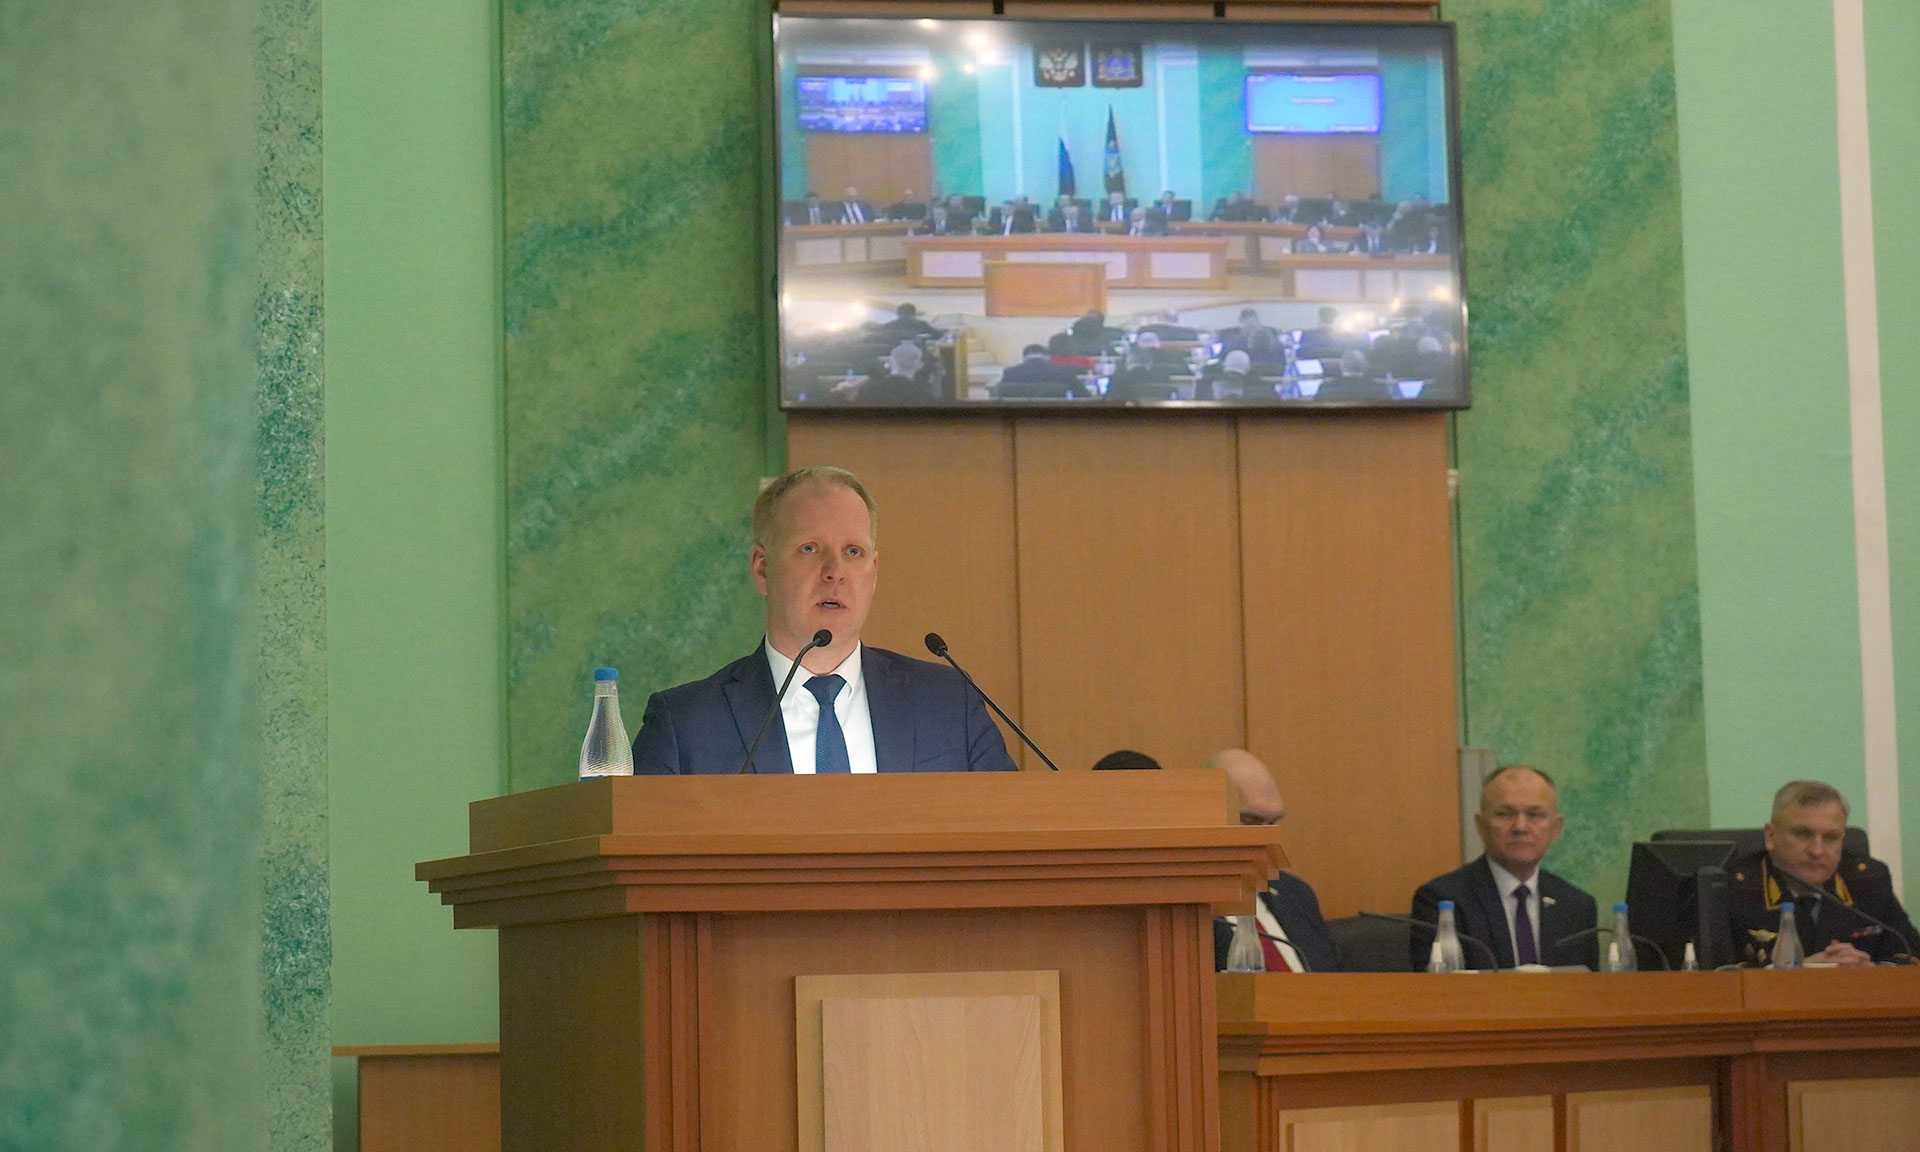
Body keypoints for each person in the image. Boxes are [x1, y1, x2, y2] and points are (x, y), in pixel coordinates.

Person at [630, 467, 1018, 775]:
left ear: (874, 572)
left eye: (853, 551)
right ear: (762, 569)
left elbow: (1011, 834)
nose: (835, 571)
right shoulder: (685, 725)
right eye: (810, 549)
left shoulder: (947, 702)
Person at [1409, 765, 1600, 970]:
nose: (1520, 827)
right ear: (1481, 826)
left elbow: (1587, 985)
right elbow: (1437, 985)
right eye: (1505, 814)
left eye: (1534, 815)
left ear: (1555, 828)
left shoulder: (1577, 906)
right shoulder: (1443, 900)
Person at [1727, 781, 1918, 966]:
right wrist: (1802, 972)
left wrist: (1871, 971)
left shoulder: (1867, 880)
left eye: (1831, 837)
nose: (1817, 851)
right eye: (1803, 834)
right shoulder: (1733, 888)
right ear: (1770, 836)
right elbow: (1718, 971)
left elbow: (1911, 955)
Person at [1207, 750, 1340, 972]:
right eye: (1250, 821)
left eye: (1273, 823)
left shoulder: (1296, 895)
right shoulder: (1183, 912)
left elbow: (1333, 985)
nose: (1267, 839)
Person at [993, 344, 1087, 398]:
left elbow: (999, 396)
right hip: (1057, 420)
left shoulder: (1009, 373)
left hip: (1020, 421)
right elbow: (1085, 397)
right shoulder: (1064, 372)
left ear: (1023, 358)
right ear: (1047, 357)